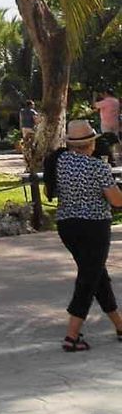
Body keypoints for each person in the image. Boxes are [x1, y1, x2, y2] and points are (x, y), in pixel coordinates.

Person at [43, 119, 122, 351]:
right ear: (91, 144)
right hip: (94, 227)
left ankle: (119, 325)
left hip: (67, 226)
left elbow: (52, 191)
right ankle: (72, 335)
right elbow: (116, 201)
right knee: (89, 279)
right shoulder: (97, 166)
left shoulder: (58, 162)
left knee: (96, 274)